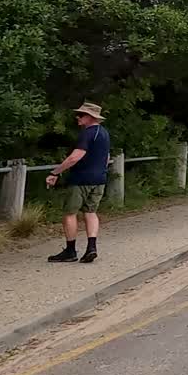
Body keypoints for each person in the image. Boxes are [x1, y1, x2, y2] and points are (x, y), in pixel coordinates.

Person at [46, 102, 111, 263]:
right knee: (90, 212)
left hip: (81, 179)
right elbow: (107, 157)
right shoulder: (104, 133)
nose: (78, 118)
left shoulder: (87, 134)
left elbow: (75, 157)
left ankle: (70, 250)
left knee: (70, 213)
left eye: (81, 115)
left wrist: (55, 172)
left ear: (90, 117)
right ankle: (91, 247)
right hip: (100, 179)